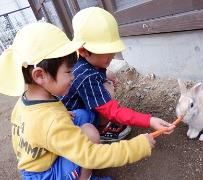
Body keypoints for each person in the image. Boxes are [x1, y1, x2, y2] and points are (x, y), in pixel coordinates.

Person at [0, 22, 162, 180]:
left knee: (82, 116)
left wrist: (60, 116)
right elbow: (91, 155)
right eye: (69, 72)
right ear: (40, 75)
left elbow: (37, 129)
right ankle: (85, 178)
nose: (73, 77)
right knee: (90, 133)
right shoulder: (52, 121)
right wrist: (137, 146)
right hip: (46, 174)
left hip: (34, 163)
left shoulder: (25, 102)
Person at [61, 7, 175, 143]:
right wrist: (148, 120)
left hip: (74, 107)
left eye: (113, 51)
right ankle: (101, 129)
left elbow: (99, 69)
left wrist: (106, 73)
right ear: (83, 51)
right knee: (107, 90)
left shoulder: (81, 61)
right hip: (73, 119)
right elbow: (112, 111)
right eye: (106, 54)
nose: (112, 57)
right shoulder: (86, 77)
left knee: (107, 81)